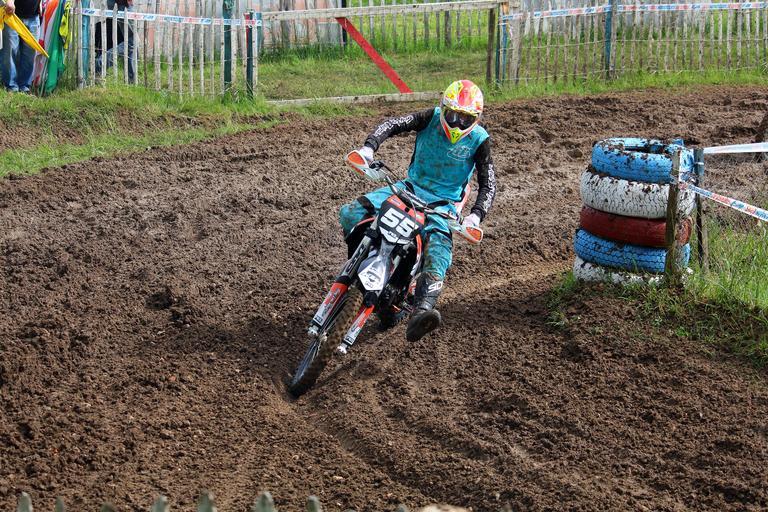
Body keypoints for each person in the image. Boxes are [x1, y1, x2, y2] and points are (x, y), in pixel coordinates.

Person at [339, 79, 497, 342]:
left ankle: (421, 311)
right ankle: (359, 266)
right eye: (453, 115)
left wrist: (475, 216)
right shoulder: (430, 118)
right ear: (443, 108)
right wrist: (369, 148)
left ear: (476, 118)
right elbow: (393, 124)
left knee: (439, 252)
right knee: (351, 213)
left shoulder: (480, 140)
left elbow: (488, 182)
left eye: (465, 118)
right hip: (408, 187)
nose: (457, 123)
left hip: (443, 205)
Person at [1, 0, 41, 92]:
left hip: (33, 17)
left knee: (30, 54)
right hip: (11, 16)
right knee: (10, 52)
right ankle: (11, 86)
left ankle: (24, 86)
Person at [94, 0, 135, 83]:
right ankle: (99, 64)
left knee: (130, 41)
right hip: (122, 4)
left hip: (119, 3)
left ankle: (131, 78)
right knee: (131, 42)